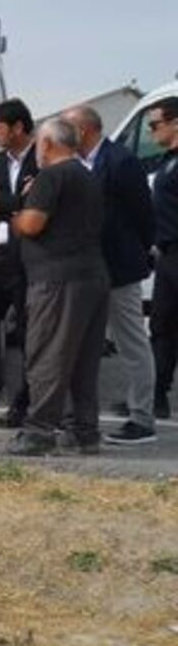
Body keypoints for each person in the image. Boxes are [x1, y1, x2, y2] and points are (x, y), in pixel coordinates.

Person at [7, 117, 110, 457]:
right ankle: (84, 431)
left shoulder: (51, 176)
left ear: (48, 144)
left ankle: (39, 431)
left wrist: (18, 215)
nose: (37, 150)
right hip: (92, 274)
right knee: (83, 359)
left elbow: (33, 224)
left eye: (38, 144)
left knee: (48, 354)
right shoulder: (87, 175)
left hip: (56, 278)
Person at [61, 106, 159, 445]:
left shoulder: (120, 162)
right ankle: (78, 414)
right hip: (84, 270)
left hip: (119, 267)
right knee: (83, 344)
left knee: (130, 342)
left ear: (85, 130)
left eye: (68, 127)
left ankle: (142, 417)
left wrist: (137, 251)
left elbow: (144, 216)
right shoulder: (75, 165)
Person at [0, 100, 40, 428]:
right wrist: (19, 203)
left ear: (18, 128)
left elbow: (42, 204)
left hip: (31, 261)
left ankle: (23, 407)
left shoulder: (43, 158)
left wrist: (17, 205)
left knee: (30, 336)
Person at [144, 96, 178, 422]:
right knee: (162, 326)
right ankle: (155, 394)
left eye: (155, 125)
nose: (152, 131)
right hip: (167, 254)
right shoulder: (168, 160)